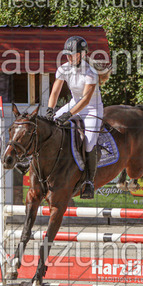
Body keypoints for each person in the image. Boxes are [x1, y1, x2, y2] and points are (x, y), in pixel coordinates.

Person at [47, 36, 103, 199]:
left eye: (73, 54)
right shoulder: (63, 69)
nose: (69, 57)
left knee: (89, 143)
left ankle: (89, 182)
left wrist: (69, 114)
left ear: (82, 54)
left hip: (92, 109)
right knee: (49, 125)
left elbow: (85, 100)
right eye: (68, 54)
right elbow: (55, 92)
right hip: (73, 104)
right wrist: (50, 110)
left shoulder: (91, 73)